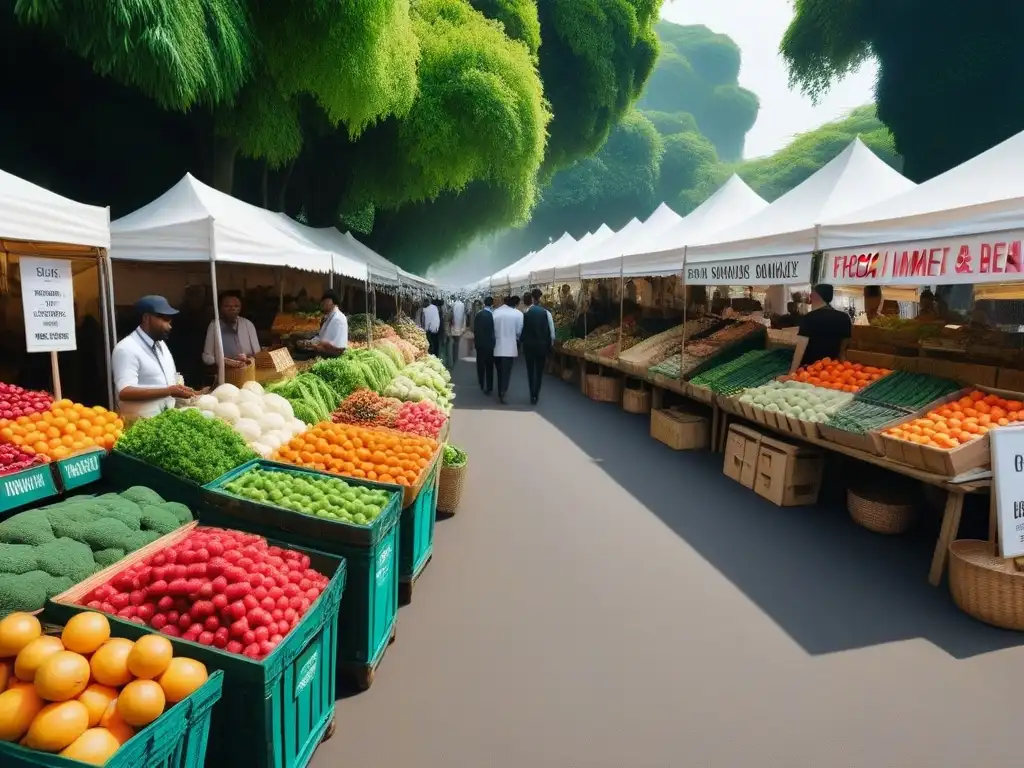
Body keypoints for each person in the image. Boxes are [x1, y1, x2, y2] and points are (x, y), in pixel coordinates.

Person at [111, 296, 195, 422]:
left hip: (165, 421)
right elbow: (125, 392)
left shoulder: (161, 344)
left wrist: (181, 389)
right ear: (146, 318)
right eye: (165, 320)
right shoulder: (127, 348)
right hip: (141, 426)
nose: (169, 326)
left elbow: (164, 381)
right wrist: (169, 391)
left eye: (170, 322)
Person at [789, 284, 852, 373]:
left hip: (810, 370)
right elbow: (843, 351)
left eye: (812, 294)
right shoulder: (844, 317)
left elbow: (800, 349)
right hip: (833, 370)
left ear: (817, 296)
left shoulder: (808, 318)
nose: (810, 296)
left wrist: (791, 373)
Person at [202, 291, 261, 368]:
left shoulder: (247, 324)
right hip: (224, 372)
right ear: (220, 308)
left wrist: (246, 358)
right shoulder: (214, 326)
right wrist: (224, 361)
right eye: (227, 306)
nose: (232, 309)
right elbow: (207, 357)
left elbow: (257, 353)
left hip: (247, 370)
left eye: (236, 306)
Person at [522, 288, 555, 405]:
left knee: (530, 370)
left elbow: (523, 331)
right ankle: (536, 392)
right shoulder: (546, 313)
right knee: (539, 371)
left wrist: (522, 343)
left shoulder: (526, 314)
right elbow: (552, 331)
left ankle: (532, 394)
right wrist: (550, 344)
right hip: (542, 346)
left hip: (529, 346)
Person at [492, 296, 523, 404]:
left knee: (499, 370)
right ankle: (503, 391)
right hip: (510, 347)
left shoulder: (495, 313)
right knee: (507, 371)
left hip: (497, 346)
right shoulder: (518, 314)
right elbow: (519, 331)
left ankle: (500, 388)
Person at [309, 291, 348, 357]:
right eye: (323, 301)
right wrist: (309, 342)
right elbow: (321, 337)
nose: (323, 303)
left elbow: (337, 348)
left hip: (331, 355)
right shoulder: (329, 316)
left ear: (333, 302)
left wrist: (315, 346)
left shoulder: (337, 318)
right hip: (325, 351)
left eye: (326, 300)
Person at [474, 296, 496, 394]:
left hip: (479, 344)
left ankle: (481, 382)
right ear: (492, 304)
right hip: (490, 344)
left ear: (484, 303)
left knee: (480, 364)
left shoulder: (478, 314)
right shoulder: (493, 315)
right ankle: (489, 386)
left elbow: (475, 329)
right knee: (489, 366)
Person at [449, 296, 466, 368]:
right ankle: (455, 358)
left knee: (452, 342)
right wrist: (463, 327)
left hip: (453, 326)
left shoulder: (453, 304)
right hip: (459, 327)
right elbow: (463, 317)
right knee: (457, 342)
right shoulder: (462, 305)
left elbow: (450, 315)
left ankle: (453, 357)